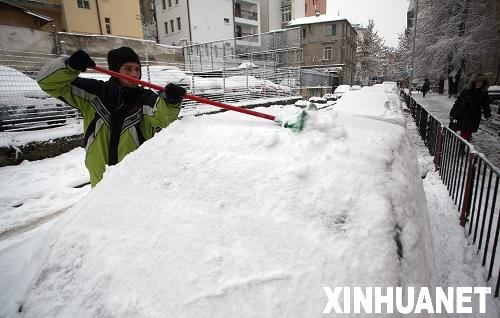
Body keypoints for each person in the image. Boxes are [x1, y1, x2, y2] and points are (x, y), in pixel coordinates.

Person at [37, 47, 186, 187]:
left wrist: (171, 102)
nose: (135, 74)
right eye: (128, 69)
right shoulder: (93, 93)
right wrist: (69, 66)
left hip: (135, 181)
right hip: (99, 180)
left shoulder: (146, 98)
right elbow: (48, 83)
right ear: (115, 71)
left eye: (137, 69)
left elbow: (163, 117)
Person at [449, 74, 491, 142]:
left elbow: (486, 105)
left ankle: (465, 144)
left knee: (468, 131)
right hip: (464, 114)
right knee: (465, 131)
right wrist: (452, 113)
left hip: (475, 115)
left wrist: (488, 116)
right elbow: (458, 102)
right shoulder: (466, 91)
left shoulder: (483, 92)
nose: (479, 83)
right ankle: (463, 146)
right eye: (478, 81)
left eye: (481, 82)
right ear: (474, 81)